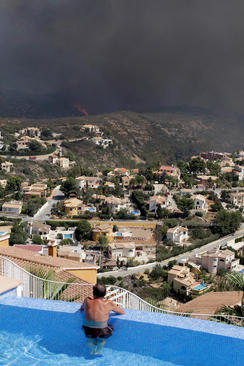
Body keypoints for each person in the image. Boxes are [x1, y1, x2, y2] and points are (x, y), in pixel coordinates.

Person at [80, 283, 124, 355]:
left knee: (89, 340)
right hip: (102, 329)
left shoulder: (87, 300)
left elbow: (81, 309)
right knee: (102, 339)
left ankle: (92, 347)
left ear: (93, 293)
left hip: (87, 328)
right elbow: (121, 312)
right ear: (105, 293)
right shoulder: (109, 303)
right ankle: (99, 349)